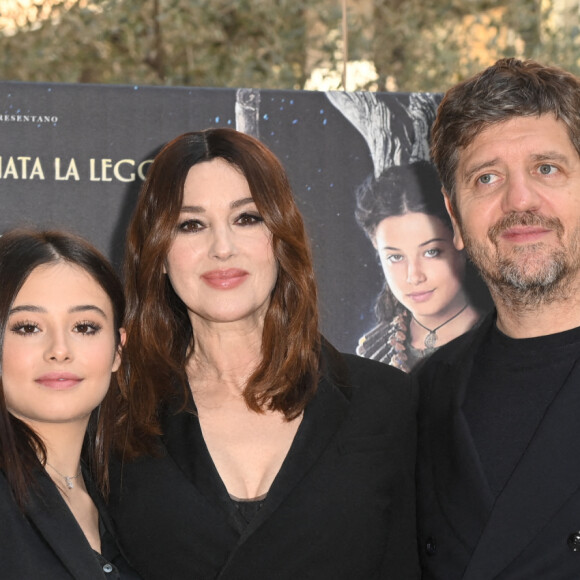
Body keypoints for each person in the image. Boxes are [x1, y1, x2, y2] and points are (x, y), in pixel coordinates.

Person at [108, 128, 419, 579]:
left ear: (280, 236)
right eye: (190, 224)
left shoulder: (386, 401)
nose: (222, 248)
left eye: (247, 218)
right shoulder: (114, 411)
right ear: (158, 252)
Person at [415, 57, 580, 579]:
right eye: (486, 178)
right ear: (454, 217)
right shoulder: (420, 397)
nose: (520, 200)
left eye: (546, 169)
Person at [0, 229, 140, 579]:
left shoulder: (131, 493)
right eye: (29, 327)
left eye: (85, 327)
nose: (59, 349)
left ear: (118, 349)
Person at [355, 160, 483, 371]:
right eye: (395, 257)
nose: (413, 276)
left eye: (431, 252)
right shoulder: (369, 353)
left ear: (461, 240)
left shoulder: (506, 336)